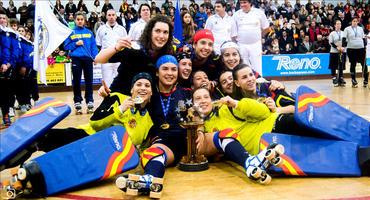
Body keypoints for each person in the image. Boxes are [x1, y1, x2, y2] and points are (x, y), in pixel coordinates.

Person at [4, 73, 154, 169]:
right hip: (86, 136)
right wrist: (120, 109)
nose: (142, 88)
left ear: (151, 92)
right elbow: (95, 122)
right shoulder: (116, 98)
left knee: (49, 166)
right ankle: (4, 161)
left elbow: (141, 149)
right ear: (132, 89)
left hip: (103, 158)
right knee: (38, 140)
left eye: (147, 85)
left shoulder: (149, 122)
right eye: (138, 84)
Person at [95, 15, 174, 96]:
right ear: (150, 32)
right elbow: (98, 59)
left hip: (145, 104)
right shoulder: (133, 48)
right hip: (120, 100)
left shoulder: (168, 55)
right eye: (157, 31)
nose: (161, 36)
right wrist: (116, 48)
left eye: (165, 32)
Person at [64, 12, 98, 114]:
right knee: (77, 81)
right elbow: (66, 47)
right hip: (76, 59)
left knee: (89, 81)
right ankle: (77, 101)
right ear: (75, 20)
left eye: (81, 19)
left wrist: (95, 57)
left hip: (88, 59)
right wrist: (75, 44)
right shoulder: (71, 32)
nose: (79, 21)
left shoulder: (89, 32)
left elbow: (93, 46)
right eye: (78, 19)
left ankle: (90, 101)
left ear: (84, 20)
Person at [231, 0, 270, 76]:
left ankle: (259, 84)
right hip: (241, 45)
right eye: (241, 3)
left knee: (257, 66)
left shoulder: (259, 13)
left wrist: (259, 37)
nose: (242, 5)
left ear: (250, 3)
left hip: (256, 44)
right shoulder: (236, 15)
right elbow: (233, 34)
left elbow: (266, 28)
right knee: (243, 67)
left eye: (244, 2)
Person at [96, 9, 128, 87]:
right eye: (109, 15)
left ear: (116, 16)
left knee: (120, 82)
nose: (111, 17)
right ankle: (107, 99)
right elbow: (98, 44)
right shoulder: (101, 29)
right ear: (106, 16)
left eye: (113, 15)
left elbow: (126, 44)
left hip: (119, 60)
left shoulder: (122, 29)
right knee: (107, 83)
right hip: (106, 61)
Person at [343, 17, 368, 88]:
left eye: (356, 21)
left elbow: (363, 38)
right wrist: (343, 46)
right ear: (351, 22)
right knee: (353, 64)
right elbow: (344, 39)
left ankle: (365, 80)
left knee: (364, 64)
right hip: (351, 49)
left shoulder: (360, 28)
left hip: (361, 48)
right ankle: (353, 80)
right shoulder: (347, 29)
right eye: (354, 21)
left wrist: (365, 45)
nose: (355, 22)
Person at [328, 20, 346, 87]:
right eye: (337, 24)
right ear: (335, 25)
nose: (339, 25)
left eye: (340, 24)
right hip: (334, 52)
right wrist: (337, 47)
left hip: (342, 51)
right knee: (333, 65)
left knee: (341, 65)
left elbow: (345, 41)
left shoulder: (343, 33)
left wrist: (343, 47)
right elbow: (331, 42)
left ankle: (341, 78)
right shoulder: (332, 33)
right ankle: (334, 78)